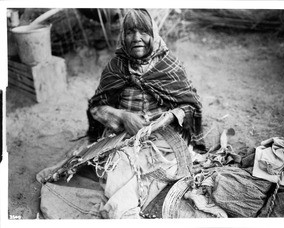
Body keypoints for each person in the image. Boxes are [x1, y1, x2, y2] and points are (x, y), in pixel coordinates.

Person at [37, 8, 205, 219]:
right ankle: (124, 211)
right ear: (123, 36)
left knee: (159, 169)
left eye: (143, 31)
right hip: (122, 138)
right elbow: (97, 108)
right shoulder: (116, 67)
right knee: (119, 170)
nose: (137, 38)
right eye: (130, 32)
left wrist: (169, 117)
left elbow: (191, 106)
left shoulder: (169, 65)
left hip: (163, 139)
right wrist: (123, 117)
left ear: (153, 33)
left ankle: (128, 206)